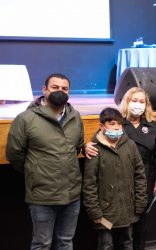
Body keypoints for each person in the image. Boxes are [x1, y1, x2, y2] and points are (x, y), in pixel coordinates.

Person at [6, 73, 84, 249]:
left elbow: (77, 147)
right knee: (42, 243)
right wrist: (35, 171)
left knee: (65, 242)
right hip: (42, 195)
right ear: (44, 90)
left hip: (72, 195)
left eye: (64, 89)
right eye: (55, 87)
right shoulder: (26, 118)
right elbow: (14, 154)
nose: (60, 91)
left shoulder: (75, 117)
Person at [85, 87, 156, 250]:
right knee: (115, 234)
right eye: (134, 101)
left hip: (143, 179)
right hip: (119, 180)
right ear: (127, 103)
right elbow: (99, 140)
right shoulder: (118, 122)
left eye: (142, 101)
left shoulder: (151, 125)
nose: (138, 104)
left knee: (141, 224)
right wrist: (85, 146)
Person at [83, 107, 147, 250]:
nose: (116, 127)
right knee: (106, 245)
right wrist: (94, 211)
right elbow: (89, 183)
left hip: (127, 209)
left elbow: (140, 175)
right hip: (105, 213)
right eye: (112, 124)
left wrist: (140, 202)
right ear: (102, 126)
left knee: (127, 243)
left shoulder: (130, 145)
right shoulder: (94, 149)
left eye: (119, 124)